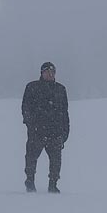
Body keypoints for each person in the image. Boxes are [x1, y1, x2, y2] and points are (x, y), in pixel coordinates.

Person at [21, 61, 69, 193]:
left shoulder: (60, 89)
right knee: (31, 158)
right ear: (41, 73)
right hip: (37, 132)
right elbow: (25, 108)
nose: (50, 74)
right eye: (47, 72)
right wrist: (31, 125)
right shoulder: (32, 87)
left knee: (56, 161)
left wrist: (65, 131)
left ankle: (53, 184)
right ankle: (30, 181)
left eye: (52, 72)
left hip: (55, 132)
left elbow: (64, 112)